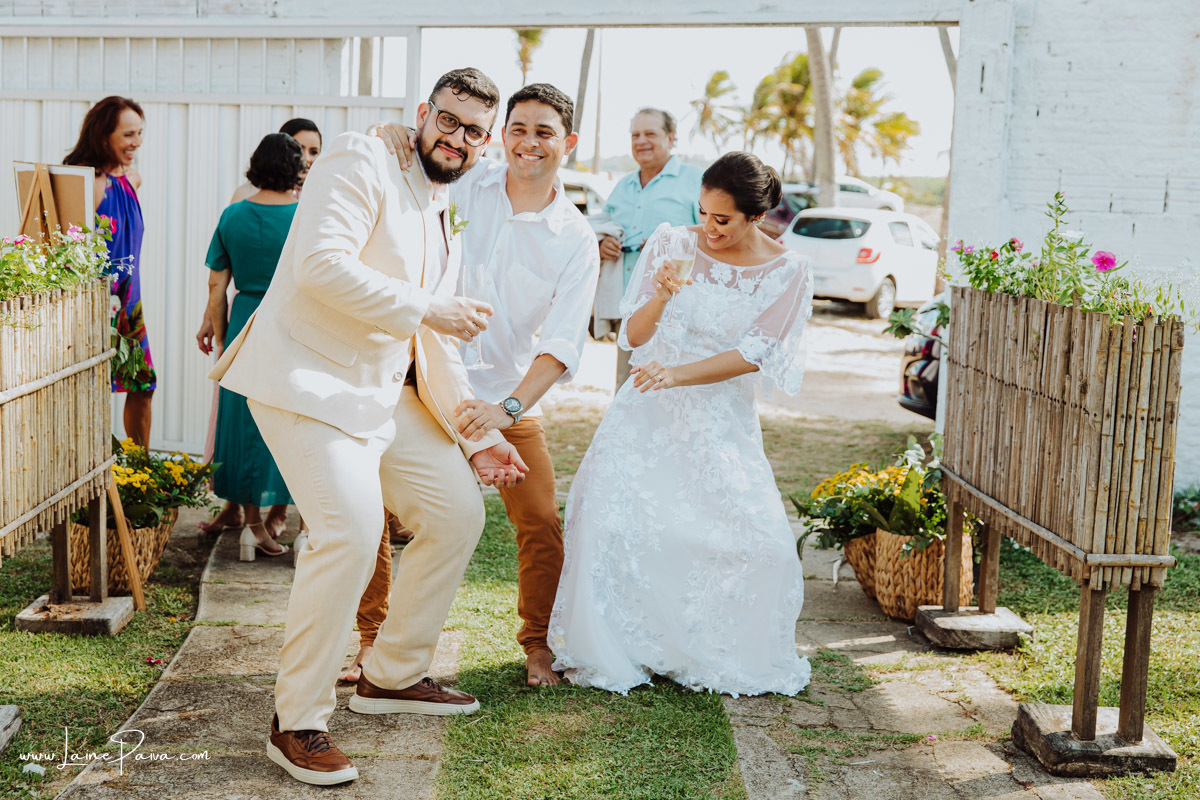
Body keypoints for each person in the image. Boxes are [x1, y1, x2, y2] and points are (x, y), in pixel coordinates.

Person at [209, 67, 528, 787]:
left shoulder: (441, 198)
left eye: (474, 130)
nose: (458, 138)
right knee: (350, 534)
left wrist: (478, 434)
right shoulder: (360, 155)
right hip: (306, 382)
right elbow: (322, 268)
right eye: (447, 120)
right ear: (423, 113)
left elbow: (428, 340)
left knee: (455, 513)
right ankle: (297, 719)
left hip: (382, 395)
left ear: (486, 141)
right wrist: (428, 306)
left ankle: (391, 675)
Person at [549, 152, 813, 698]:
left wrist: (679, 375)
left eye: (723, 220)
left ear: (755, 217)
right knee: (614, 522)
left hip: (720, 419)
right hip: (646, 407)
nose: (708, 228)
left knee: (763, 547)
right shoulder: (673, 241)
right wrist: (664, 296)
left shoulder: (788, 270)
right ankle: (626, 646)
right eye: (703, 212)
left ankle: (710, 645)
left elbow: (755, 352)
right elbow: (636, 336)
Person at [366, 83, 600, 687]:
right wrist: (388, 135)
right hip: (419, 379)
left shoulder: (575, 238)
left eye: (543, 132)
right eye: (517, 128)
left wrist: (509, 408)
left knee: (543, 520)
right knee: (373, 512)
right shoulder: (465, 182)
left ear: (567, 143)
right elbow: (411, 161)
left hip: (502, 398)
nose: (527, 142)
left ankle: (538, 645)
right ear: (502, 134)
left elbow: (562, 345)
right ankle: (372, 640)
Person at [200, 118, 325, 536]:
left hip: (243, 320)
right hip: (291, 322)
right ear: (295, 169)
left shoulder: (232, 215)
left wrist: (223, 338)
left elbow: (217, 284)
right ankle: (294, 516)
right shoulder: (306, 216)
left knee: (241, 422)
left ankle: (249, 515)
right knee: (291, 418)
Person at [65, 96, 155, 446]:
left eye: (140, 133)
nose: (137, 142)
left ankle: (140, 475)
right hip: (93, 305)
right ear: (104, 136)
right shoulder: (86, 180)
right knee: (92, 393)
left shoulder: (130, 178)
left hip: (129, 304)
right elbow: (67, 250)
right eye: (128, 134)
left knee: (142, 385)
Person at [599, 108, 702, 388]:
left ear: (671, 138)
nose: (641, 141)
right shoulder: (622, 186)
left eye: (650, 134)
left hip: (678, 310)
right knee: (627, 386)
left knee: (675, 388)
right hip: (630, 310)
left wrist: (666, 247)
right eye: (635, 135)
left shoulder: (697, 181)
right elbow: (601, 226)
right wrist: (602, 245)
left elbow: (714, 236)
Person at [230, 118, 322, 202]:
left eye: (313, 152)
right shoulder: (246, 194)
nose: (306, 158)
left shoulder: (324, 194)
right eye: (299, 150)